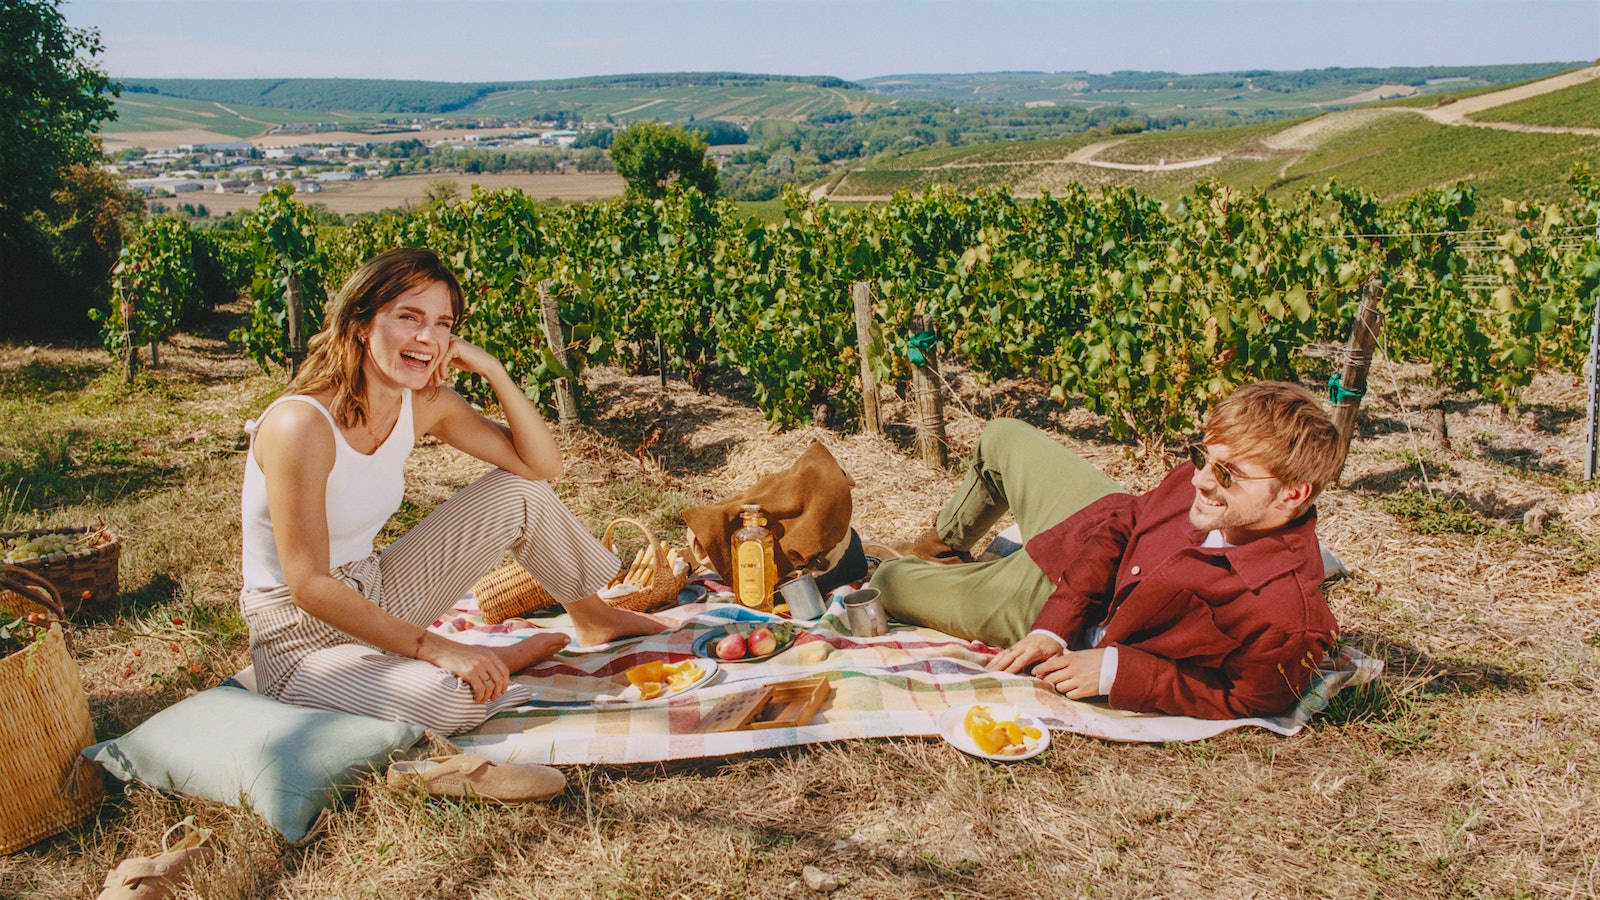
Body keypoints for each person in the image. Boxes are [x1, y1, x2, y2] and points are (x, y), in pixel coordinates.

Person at [239, 247, 665, 734]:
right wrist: (437, 647)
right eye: (408, 317)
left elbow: (541, 466)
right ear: (360, 322)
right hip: (298, 637)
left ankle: (593, 618)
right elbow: (310, 586)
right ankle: (486, 664)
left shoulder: (422, 403)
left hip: (374, 591)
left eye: (442, 323)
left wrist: (493, 370)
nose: (428, 337)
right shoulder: (300, 425)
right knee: (447, 701)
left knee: (517, 490)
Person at [871, 381, 1343, 720]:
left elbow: (1249, 700)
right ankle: (942, 550)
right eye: (1203, 455)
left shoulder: (1286, 618)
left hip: (1047, 601)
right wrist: (1054, 627)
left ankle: (956, 576)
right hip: (1086, 546)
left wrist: (1120, 671)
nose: (1199, 479)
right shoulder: (1210, 487)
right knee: (1002, 435)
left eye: (1228, 473)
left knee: (886, 582)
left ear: (1293, 494)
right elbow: (1128, 519)